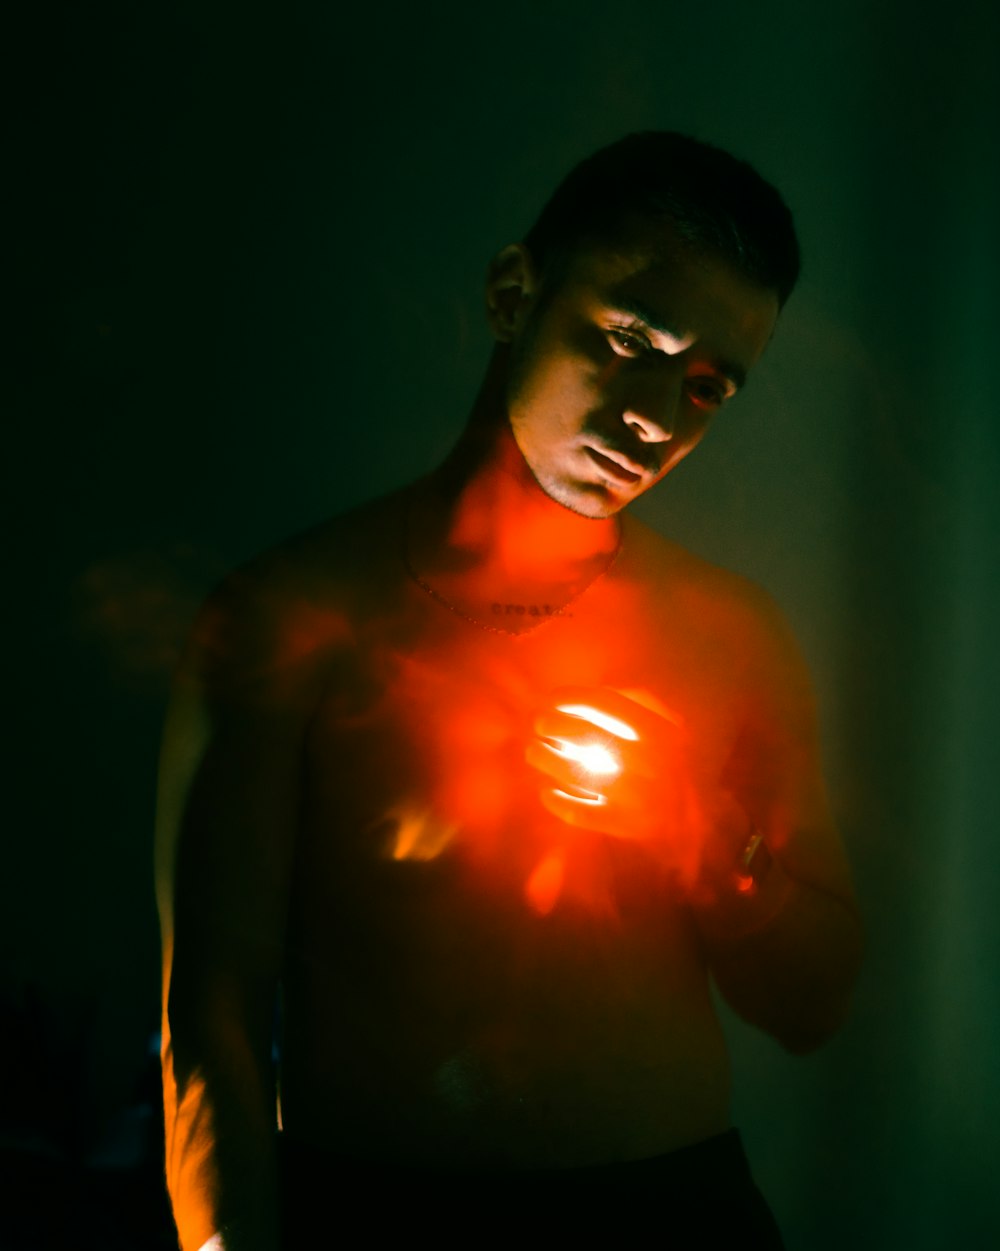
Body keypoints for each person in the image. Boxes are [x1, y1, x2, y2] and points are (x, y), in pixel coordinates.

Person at [156, 132, 863, 1251]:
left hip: (674, 1217)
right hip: (380, 1212)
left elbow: (815, 1004)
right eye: (632, 339)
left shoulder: (732, 638)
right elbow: (211, 1021)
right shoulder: (287, 620)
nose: (657, 417)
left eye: (707, 385)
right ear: (512, 293)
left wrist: (704, 846)